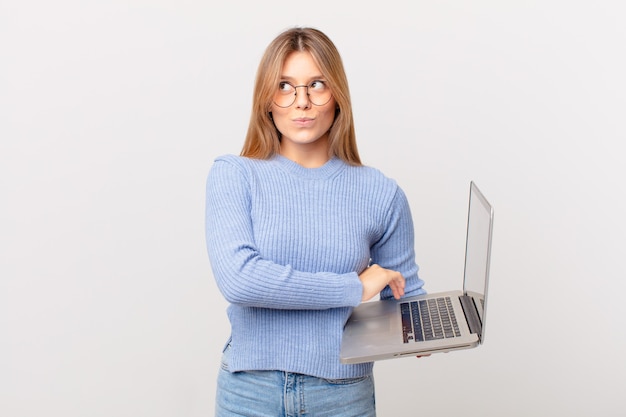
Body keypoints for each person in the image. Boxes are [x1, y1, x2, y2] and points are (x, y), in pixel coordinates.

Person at [205, 27, 425, 417]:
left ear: (337, 96)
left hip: (341, 395)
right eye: (285, 86)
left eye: (317, 85)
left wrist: (428, 327)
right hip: (250, 393)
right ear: (266, 101)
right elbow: (240, 280)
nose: (301, 102)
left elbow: (404, 294)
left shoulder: (380, 192)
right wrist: (351, 288)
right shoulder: (235, 174)